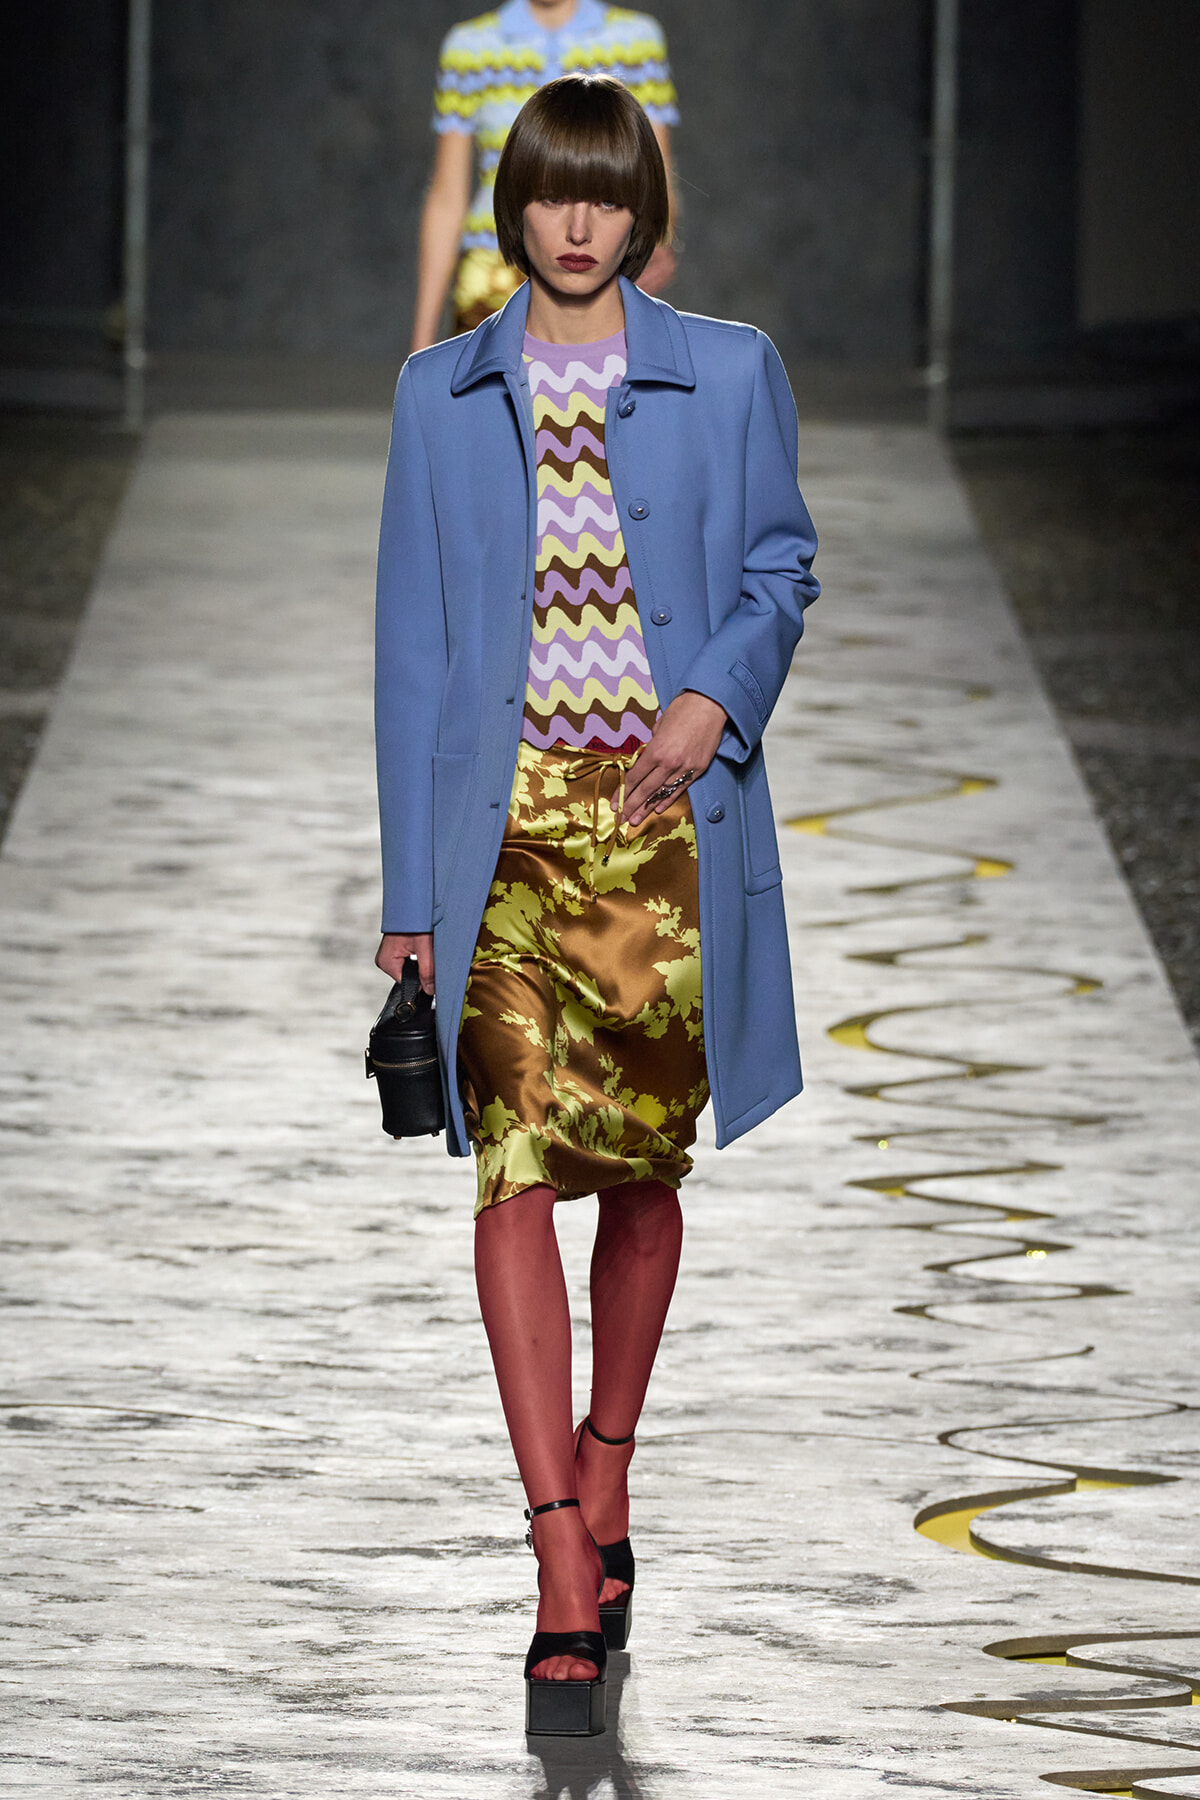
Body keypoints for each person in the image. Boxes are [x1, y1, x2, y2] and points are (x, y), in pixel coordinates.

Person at [375, 74, 819, 1735]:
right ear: (517, 210)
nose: (577, 223)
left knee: (638, 1174)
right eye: (551, 194)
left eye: (606, 196)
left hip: (659, 834)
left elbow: (784, 564)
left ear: (644, 210)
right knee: (508, 1173)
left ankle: (609, 1466)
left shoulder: (731, 372)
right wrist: (413, 893)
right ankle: (560, 1542)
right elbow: (413, 644)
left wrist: (714, 696)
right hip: (503, 837)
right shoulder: (440, 394)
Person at [412, 0, 679, 350]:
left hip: (597, 264)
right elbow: (448, 197)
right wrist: (421, 345)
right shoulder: (470, 46)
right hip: (491, 277)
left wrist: (655, 240)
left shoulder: (635, 40)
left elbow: (652, 171)